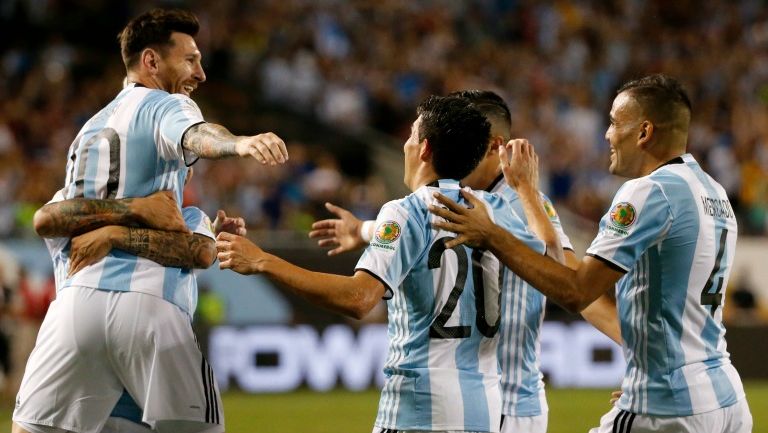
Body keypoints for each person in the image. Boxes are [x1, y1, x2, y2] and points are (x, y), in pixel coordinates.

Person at [428, 75, 753, 432]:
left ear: (644, 132)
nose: (607, 134)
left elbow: (575, 291)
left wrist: (490, 235)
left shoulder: (649, 192)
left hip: (672, 403)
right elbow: (589, 291)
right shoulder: (713, 192)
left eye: (614, 123)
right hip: (723, 396)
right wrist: (529, 196)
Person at [12, 8, 284, 433]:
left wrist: (114, 228)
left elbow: (48, 218)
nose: (201, 73)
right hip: (147, 308)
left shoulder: (86, 134)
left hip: (71, 310)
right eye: (190, 59)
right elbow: (196, 135)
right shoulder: (163, 105)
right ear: (152, 62)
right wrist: (240, 143)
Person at [216, 95, 546, 433]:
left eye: (411, 136)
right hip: (485, 410)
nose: (404, 145)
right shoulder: (497, 212)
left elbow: (358, 298)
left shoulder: (406, 211)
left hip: (418, 408)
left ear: (424, 148)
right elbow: (549, 266)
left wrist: (263, 261)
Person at [308, 90, 621, 433]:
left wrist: (640, 366)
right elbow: (419, 230)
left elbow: (576, 288)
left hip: (507, 399)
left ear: (493, 146)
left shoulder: (517, 202)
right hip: (482, 399)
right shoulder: (464, 200)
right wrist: (365, 230)